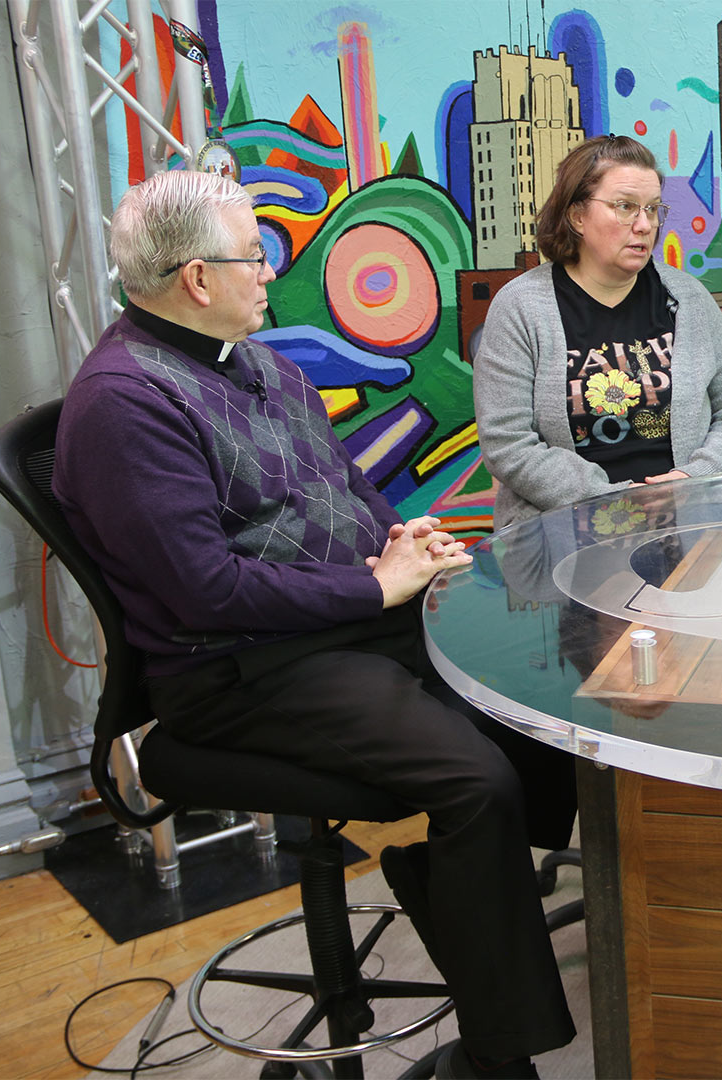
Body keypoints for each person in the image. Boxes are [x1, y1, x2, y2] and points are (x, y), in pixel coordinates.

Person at [52, 171, 577, 1080]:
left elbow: (344, 484)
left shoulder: (257, 358)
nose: (269, 272)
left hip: (335, 624)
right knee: (475, 782)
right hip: (239, 670)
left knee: (540, 696)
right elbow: (204, 594)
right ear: (195, 279)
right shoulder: (122, 406)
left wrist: (398, 538)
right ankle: (496, 1053)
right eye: (253, 255)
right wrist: (376, 591)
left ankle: (457, 891)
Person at [475, 135, 722, 531]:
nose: (645, 225)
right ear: (577, 216)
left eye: (652, 209)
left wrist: (693, 481)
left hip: (690, 526)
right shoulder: (522, 308)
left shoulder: (688, 298)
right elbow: (507, 443)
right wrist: (615, 500)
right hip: (560, 537)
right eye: (625, 207)